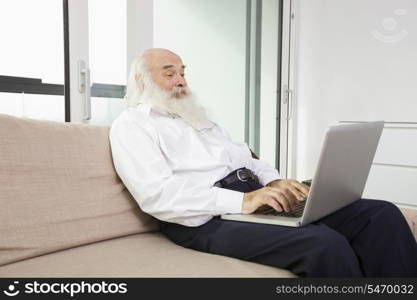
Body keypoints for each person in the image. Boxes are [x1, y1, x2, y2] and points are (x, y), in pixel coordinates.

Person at [109, 48, 417, 277]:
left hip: (252, 201)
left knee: (380, 214)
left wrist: (273, 182)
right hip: (205, 218)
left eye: (182, 71)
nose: (181, 80)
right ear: (141, 79)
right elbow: (157, 196)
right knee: (324, 243)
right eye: (169, 72)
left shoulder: (199, 118)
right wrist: (243, 201)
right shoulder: (132, 125)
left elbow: (247, 159)